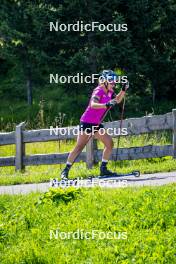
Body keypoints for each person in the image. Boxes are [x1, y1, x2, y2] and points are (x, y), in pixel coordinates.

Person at [60, 70, 129, 179]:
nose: (114, 84)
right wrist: (106, 104)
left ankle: (103, 169)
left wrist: (123, 90)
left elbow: (117, 100)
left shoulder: (110, 92)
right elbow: (93, 105)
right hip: (87, 122)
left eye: (115, 82)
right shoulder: (99, 90)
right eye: (111, 81)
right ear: (105, 81)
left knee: (109, 143)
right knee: (79, 147)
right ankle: (65, 171)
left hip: (96, 124)